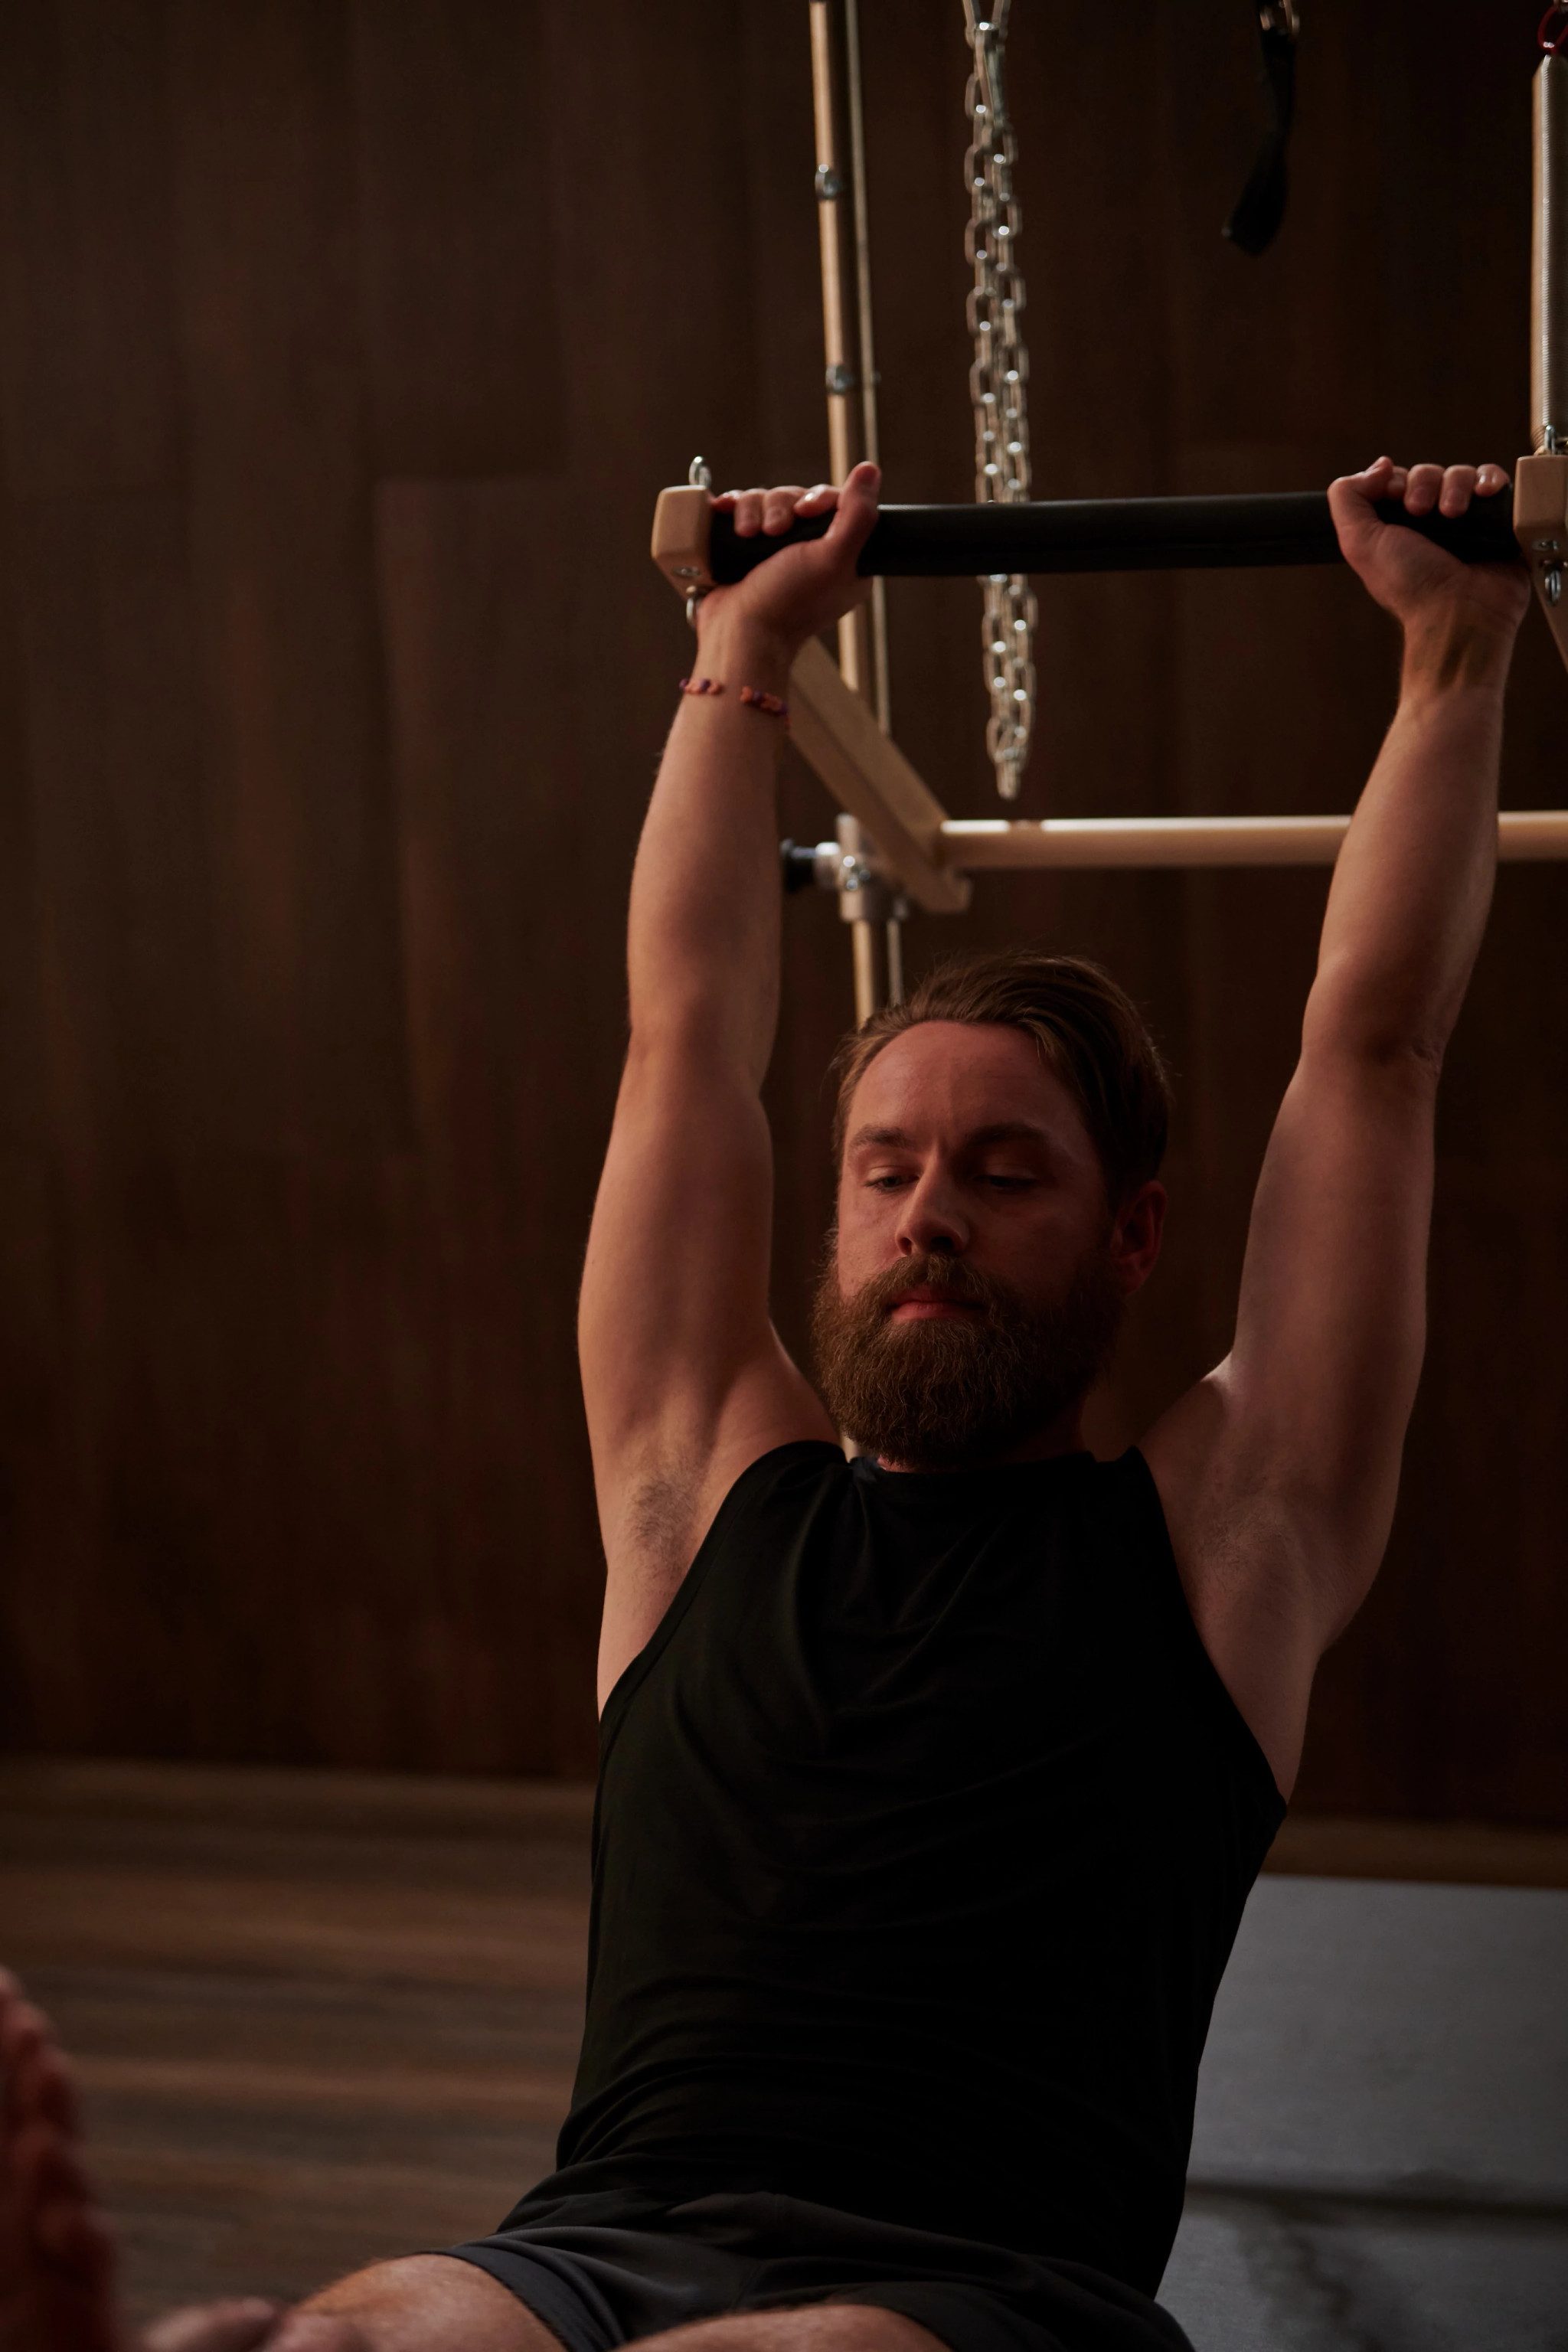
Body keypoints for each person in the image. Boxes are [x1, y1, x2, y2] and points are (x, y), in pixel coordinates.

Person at [2, 456, 1530, 2352]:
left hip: (974, 2296)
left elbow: (1372, 1049)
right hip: (595, 2249)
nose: (928, 1217)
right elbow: (684, 1037)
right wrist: (743, 652)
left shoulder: (1231, 1541)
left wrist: (1455, 648)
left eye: (1001, 1172)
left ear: (1132, 1236)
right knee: (341, 2342)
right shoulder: (692, 1485)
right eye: (884, 1168)